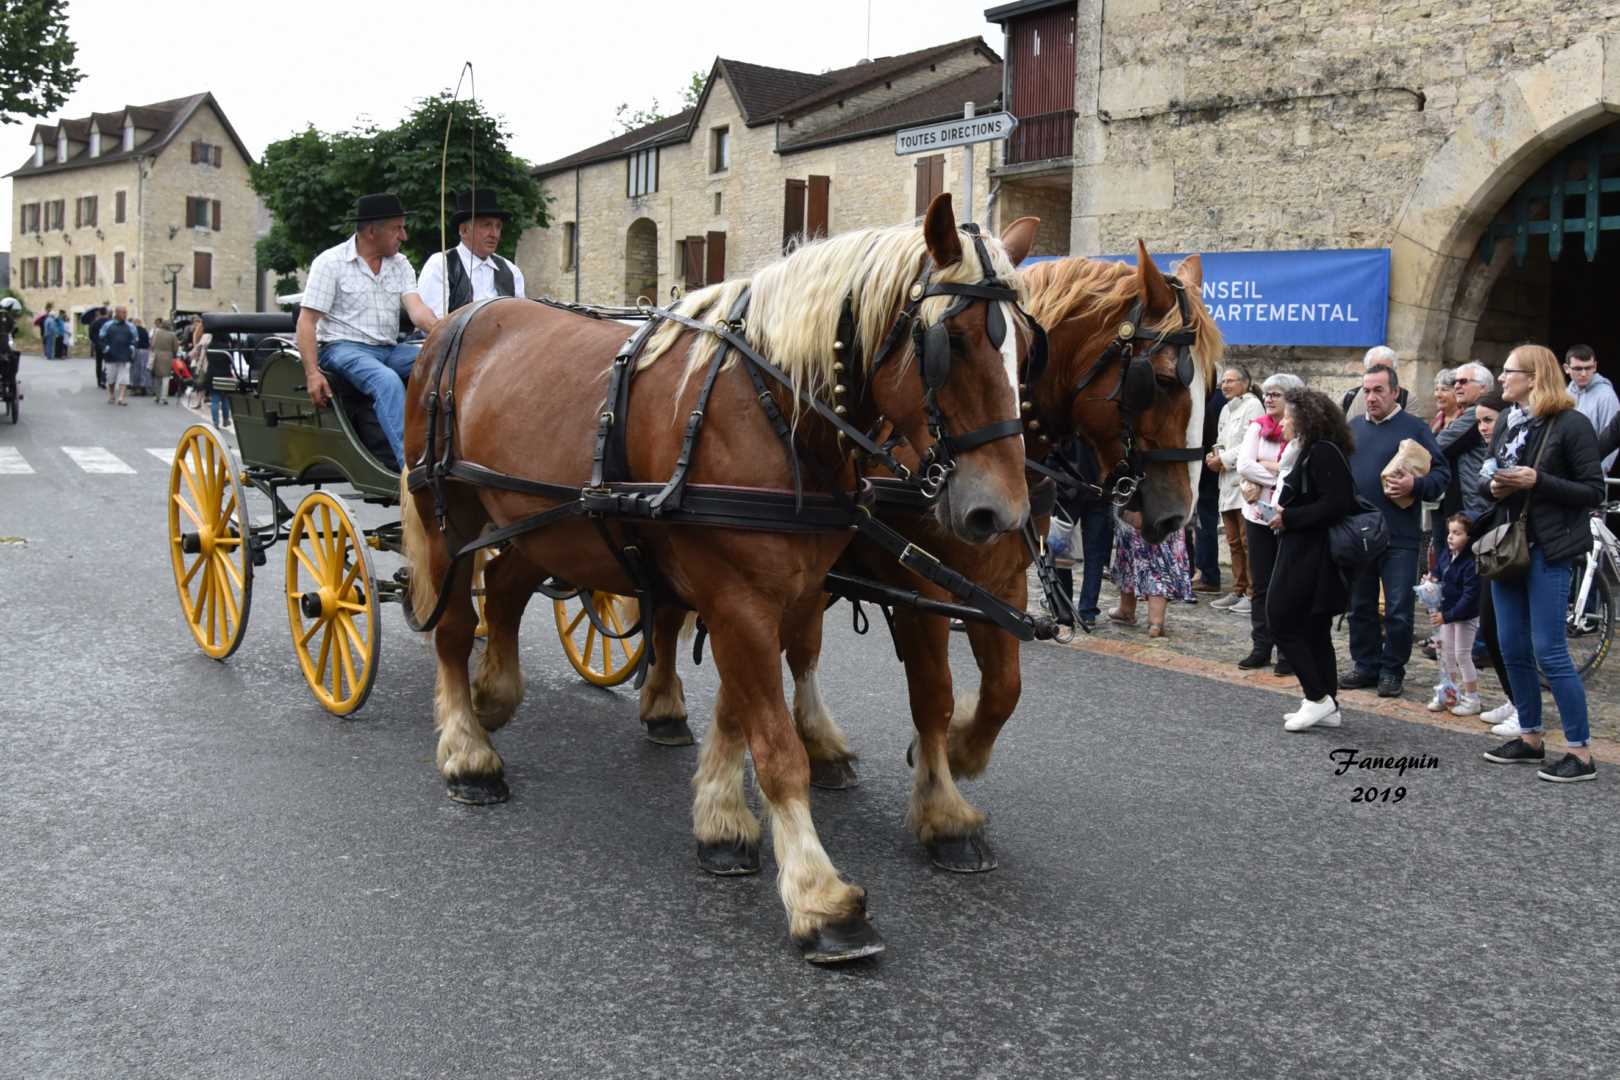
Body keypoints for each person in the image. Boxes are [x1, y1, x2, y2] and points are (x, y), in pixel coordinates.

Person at [1479, 344, 1606, 782]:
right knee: (1511, 645)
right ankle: (1530, 737)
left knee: (1549, 650)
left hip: (1549, 549)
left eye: (1508, 370)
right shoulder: (1508, 424)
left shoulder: (1571, 424)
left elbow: (1594, 491)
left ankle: (1581, 752)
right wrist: (1493, 490)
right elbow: (1486, 482)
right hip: (1507, 547)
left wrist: (1538, 480)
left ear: (1533, 377)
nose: (1501, 378)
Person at [298, 193, 438, 469]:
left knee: (442, 361)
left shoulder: (400, 264)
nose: (404, 236)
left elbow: (417, 310)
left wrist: (445, 331)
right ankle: (412, 468)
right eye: (397, 228)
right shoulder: (330, 262)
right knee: (386, 381)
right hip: (342, 348)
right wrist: (312, 374)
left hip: (389, 349)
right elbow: (306, 321)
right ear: (372, 231)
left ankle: (447, 451)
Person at [1342, 363, 1450, 698]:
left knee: (1398, 609)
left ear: (1395, 392)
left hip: (1398, 535)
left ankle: (1392, 670)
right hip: (1359, 533)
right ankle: (1365, 665)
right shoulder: (1353, 428)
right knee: (1359, 605)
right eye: (1366, 390)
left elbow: (1442, 477)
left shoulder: (1415, 429)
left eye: (1378, 390)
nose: (1371, 397)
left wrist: (1414, 484)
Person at [1266, 387, 1360, 732]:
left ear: (1305, 419)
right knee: (1313, 627)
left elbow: (1337, 504)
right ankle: (1329, 704)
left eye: (1288, 415)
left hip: (1313, 552)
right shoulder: (1306, 450)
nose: (1282, 421)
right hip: (1302, 547)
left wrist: (1288, 517)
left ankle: (1316, 697)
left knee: (1281, 619)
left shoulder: (1322, 452)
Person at [1234, 371, 1303, 673]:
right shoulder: (1257, 428)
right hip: (1258, 515)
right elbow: (1243, 464)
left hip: (1287, 518)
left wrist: (1267, 474)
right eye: (1268, 393)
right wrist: (1278, 475)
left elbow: (1298, 471)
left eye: (1277, 394)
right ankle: (1261, 646)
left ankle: (1287, 653)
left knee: (1286, 586)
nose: (1269, 398)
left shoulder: (1301, 431)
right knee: (1260, 584)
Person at [1466, 389, 1521, 735]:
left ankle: (1526, 708)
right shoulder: (1494, 447)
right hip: (1495, 540)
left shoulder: (1519, 440)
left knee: (1514, 633)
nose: (1483, 428)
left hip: (1517, 542)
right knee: (1489, 625)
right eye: (1479, 422)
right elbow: (1482, 487)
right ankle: (1515, 698)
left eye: (1488, 420)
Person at [413, 188, 527, 320]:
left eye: (498, 226)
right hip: (453, 340)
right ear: (464, 230)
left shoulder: (511, 270)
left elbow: (521, 320)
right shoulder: (441, 264)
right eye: (486, 225)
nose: (494, 234)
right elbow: (434, 325)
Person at [1208, 365, 1265, 613]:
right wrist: (1214, 455)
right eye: (1223, 381)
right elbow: (1221, 439)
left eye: (1230, 381)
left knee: (1246, 540)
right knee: (1233, 541)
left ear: (1245, 382)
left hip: (1243, 482)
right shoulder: (1225, 408)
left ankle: (1253, 592)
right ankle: (1238, 588)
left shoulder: (1253, 406)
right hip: (1226, 482)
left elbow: (1249, 444)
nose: (1225, 385)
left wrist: (1223, 459)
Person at [1048, 439, 1114, 633]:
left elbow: (1053, 450)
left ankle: (1063, 607)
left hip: (1068, 490)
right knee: (1093, 555)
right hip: (1098, 490)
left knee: (1059, 552)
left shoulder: (1070, 417)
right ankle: (1087, 611)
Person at [1107, 509, 1192, 638]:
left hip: (1140, 509)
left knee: (1133, 557)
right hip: (1171, 507)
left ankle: (1130, 611)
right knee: (1160, 561)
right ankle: (1154, 622)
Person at [1427, 513, 1481, 715]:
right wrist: (1431, 580)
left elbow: (1469, 597)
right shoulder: (1447, 555)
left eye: (1457, 533)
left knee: (1462, 654)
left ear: (1469, 537)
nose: (1450, 537)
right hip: (1447, 612)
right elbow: (1438, 572)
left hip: (1464, 616)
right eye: (1450, 532)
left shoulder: (1470, 563)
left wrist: (1447, 616)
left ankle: (1472, 697)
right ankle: (1448, 693)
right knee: (1446, 655)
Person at [1191, 377, 1228, 594]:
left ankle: (1208, 574)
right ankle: (1203, 571)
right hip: (1211, 466)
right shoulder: (1219, 398)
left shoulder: (1211, 398)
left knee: (1205, 521)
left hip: (1207, 467)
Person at [1450, 361, 1495, 521]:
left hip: (1477, 505)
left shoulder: (1475, 414)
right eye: (1454, 382)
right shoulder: (1466, 413)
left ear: (1483, 387)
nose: (1456, 386)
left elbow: (1438, 446)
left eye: (1463, 381)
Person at [1564, 345, 1617, 472]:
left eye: (1588, 368)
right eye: (1578, 368)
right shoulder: (1565, 394)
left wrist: (1598, 470)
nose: (1583, 373)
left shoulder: (1606, 395)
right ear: (1566, 368)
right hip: (1565, 472)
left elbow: (1614, 438)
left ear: (1595, 367)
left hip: (1592, 473)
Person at [1342, 345, 1411, 419]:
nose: (1371, 398)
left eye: (1385, 369)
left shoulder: (1407, 399)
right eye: (1374, 369)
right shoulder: (1349, 397)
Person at [98, 306, 138, 405]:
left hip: (125, 356)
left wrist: (132, 348)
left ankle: (121, 398)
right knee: (111, 378)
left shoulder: (131, 326)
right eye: (123, 312)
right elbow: (100, 338)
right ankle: (111, 395)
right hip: (111, 356)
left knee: (124, 377)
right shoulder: (108, 325)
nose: (125, 314)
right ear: (116, 313)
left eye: (126, 312)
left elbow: (135, 339)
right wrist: (106, 348)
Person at [149, 318, 178, 405]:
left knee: (157, 377)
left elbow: (152, 344)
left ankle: (157, 396)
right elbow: (175, 348)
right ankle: (164, 398)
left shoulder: (156, 333)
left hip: (157, 356)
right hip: (168, 356)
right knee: (166, 378)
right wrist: (174, 354)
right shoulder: (173, 335)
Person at [89, 305, 110, 386]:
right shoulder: (110, 322)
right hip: (107, 345)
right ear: (106, 312)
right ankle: (104, 379)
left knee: (98, 363)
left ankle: (99, 380)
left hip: (98, 345)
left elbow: (91, 335)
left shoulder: (95, 323)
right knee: (108, 362)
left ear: (100, 313)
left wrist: (95, 341)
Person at [131, 318, 152, 396]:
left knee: (135, 370)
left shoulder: (134, 330)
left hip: (137, 350)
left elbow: (133, 341)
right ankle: (143, 387)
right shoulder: (145, 330)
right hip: (145, 351)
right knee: (143, 370)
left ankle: (136, 387)